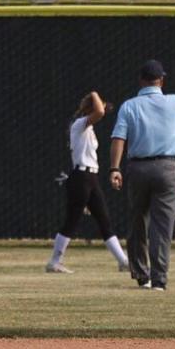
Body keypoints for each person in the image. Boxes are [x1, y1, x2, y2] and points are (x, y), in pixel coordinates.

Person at [109, 57, 175, 290]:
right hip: (167, 168)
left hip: (138, 168)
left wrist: (115, 168)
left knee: (137, 223)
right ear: (161, 81)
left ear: (141, 81)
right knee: (162, 227)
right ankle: (159, 279)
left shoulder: (129, 106)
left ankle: (142, 275)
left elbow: (118, 139)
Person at [46, 91, 129, 274]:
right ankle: (54, 262)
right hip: (81, 177)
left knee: (103, 219)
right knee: (72, 220)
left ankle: (123, 261)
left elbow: (100, 111)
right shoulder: (79, 124)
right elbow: (99, 112)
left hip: (90, 178)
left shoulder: (88, 129)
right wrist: (94, 94)